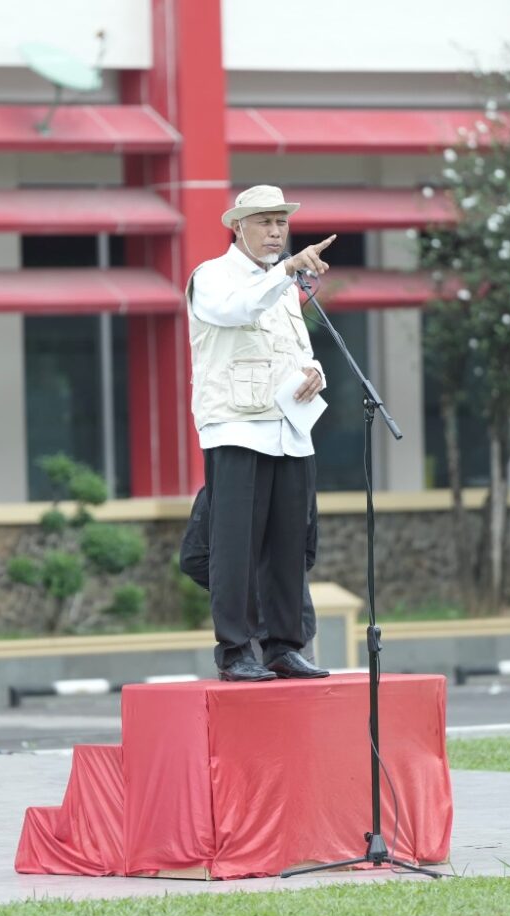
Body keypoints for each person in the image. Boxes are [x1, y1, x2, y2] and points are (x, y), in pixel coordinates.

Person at [185, 184, 335, 681]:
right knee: (235, 546)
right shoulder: (212, 276)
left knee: (290, 543)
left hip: (289, 427)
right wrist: (286, 272)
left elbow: (298, 350)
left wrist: (316, 372)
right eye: (264, 222)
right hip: (236, 426)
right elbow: (238, 311)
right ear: (237, 227)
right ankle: (235, 651)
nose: (276, 232)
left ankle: (284, 646)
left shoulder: (284, 284)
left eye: (281, 222)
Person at [179, 484, 319, 661]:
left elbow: (193, 559)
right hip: (272, 635)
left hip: (269, 635)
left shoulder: (219, 488)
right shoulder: (300, 485)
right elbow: (194, 560)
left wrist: (240, 589)